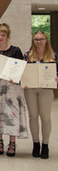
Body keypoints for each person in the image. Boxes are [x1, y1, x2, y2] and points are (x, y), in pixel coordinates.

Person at [0, 23, 28, 157]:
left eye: (3, 35)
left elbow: (20, 70)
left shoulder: (16, 50)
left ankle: (12, 142)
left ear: (7, 36)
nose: (0, 37)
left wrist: (14, 77)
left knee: (11, 114)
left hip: (11, 88)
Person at [24, 31, 58, 159]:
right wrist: (24, 80)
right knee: (33, 116)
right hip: (30, 89)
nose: (38, 42)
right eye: (36, 39)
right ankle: (36, 143)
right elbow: (23, 72)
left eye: (41, 39)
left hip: (46, 89)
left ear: (46, 40)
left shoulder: (53, 56)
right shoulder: (27, 55)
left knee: (45, 117)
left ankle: (45, 144)